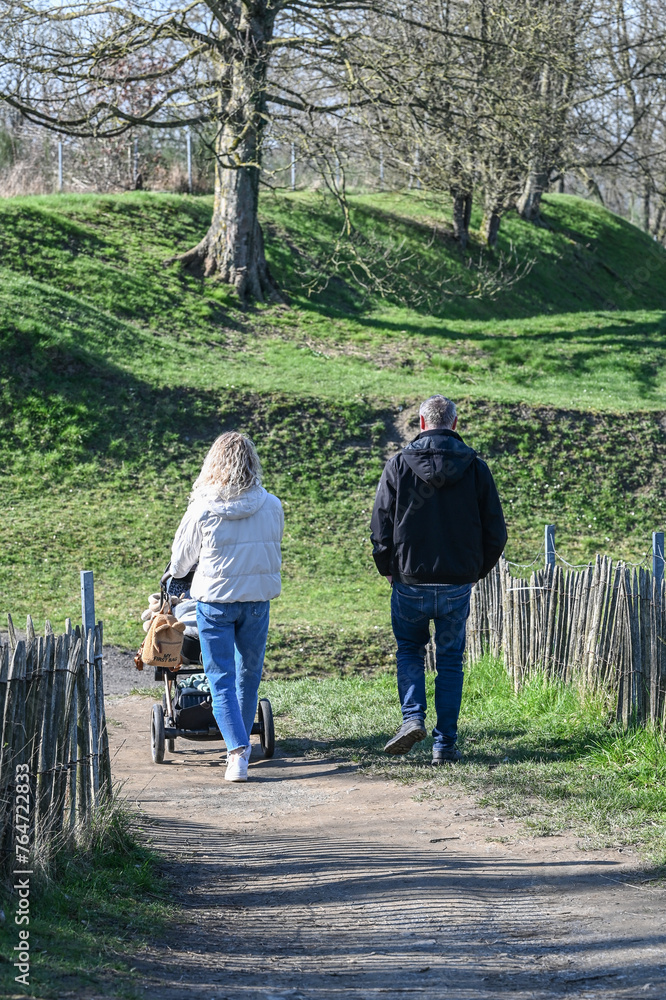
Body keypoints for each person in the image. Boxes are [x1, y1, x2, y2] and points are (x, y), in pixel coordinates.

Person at [370, 395, 507, 764]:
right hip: (456, 584)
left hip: (410, 581)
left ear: (421, 422)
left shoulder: (399, 465)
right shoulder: (476, 468)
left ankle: (412, 717)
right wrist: (475, 571)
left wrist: (389, 569)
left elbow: (380, 527)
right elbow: (496, 533)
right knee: (449, 661)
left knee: (410, 651)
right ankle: (444, 744)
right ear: (455, 424)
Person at [168, 432, 283, 782]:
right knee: (248, 675)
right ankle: (242, 747)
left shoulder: (202, 508)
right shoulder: (272, 504)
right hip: (256, 601)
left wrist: (180, 576)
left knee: (221, 678)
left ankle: (236, 753)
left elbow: (180, 561)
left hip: (215, 602)